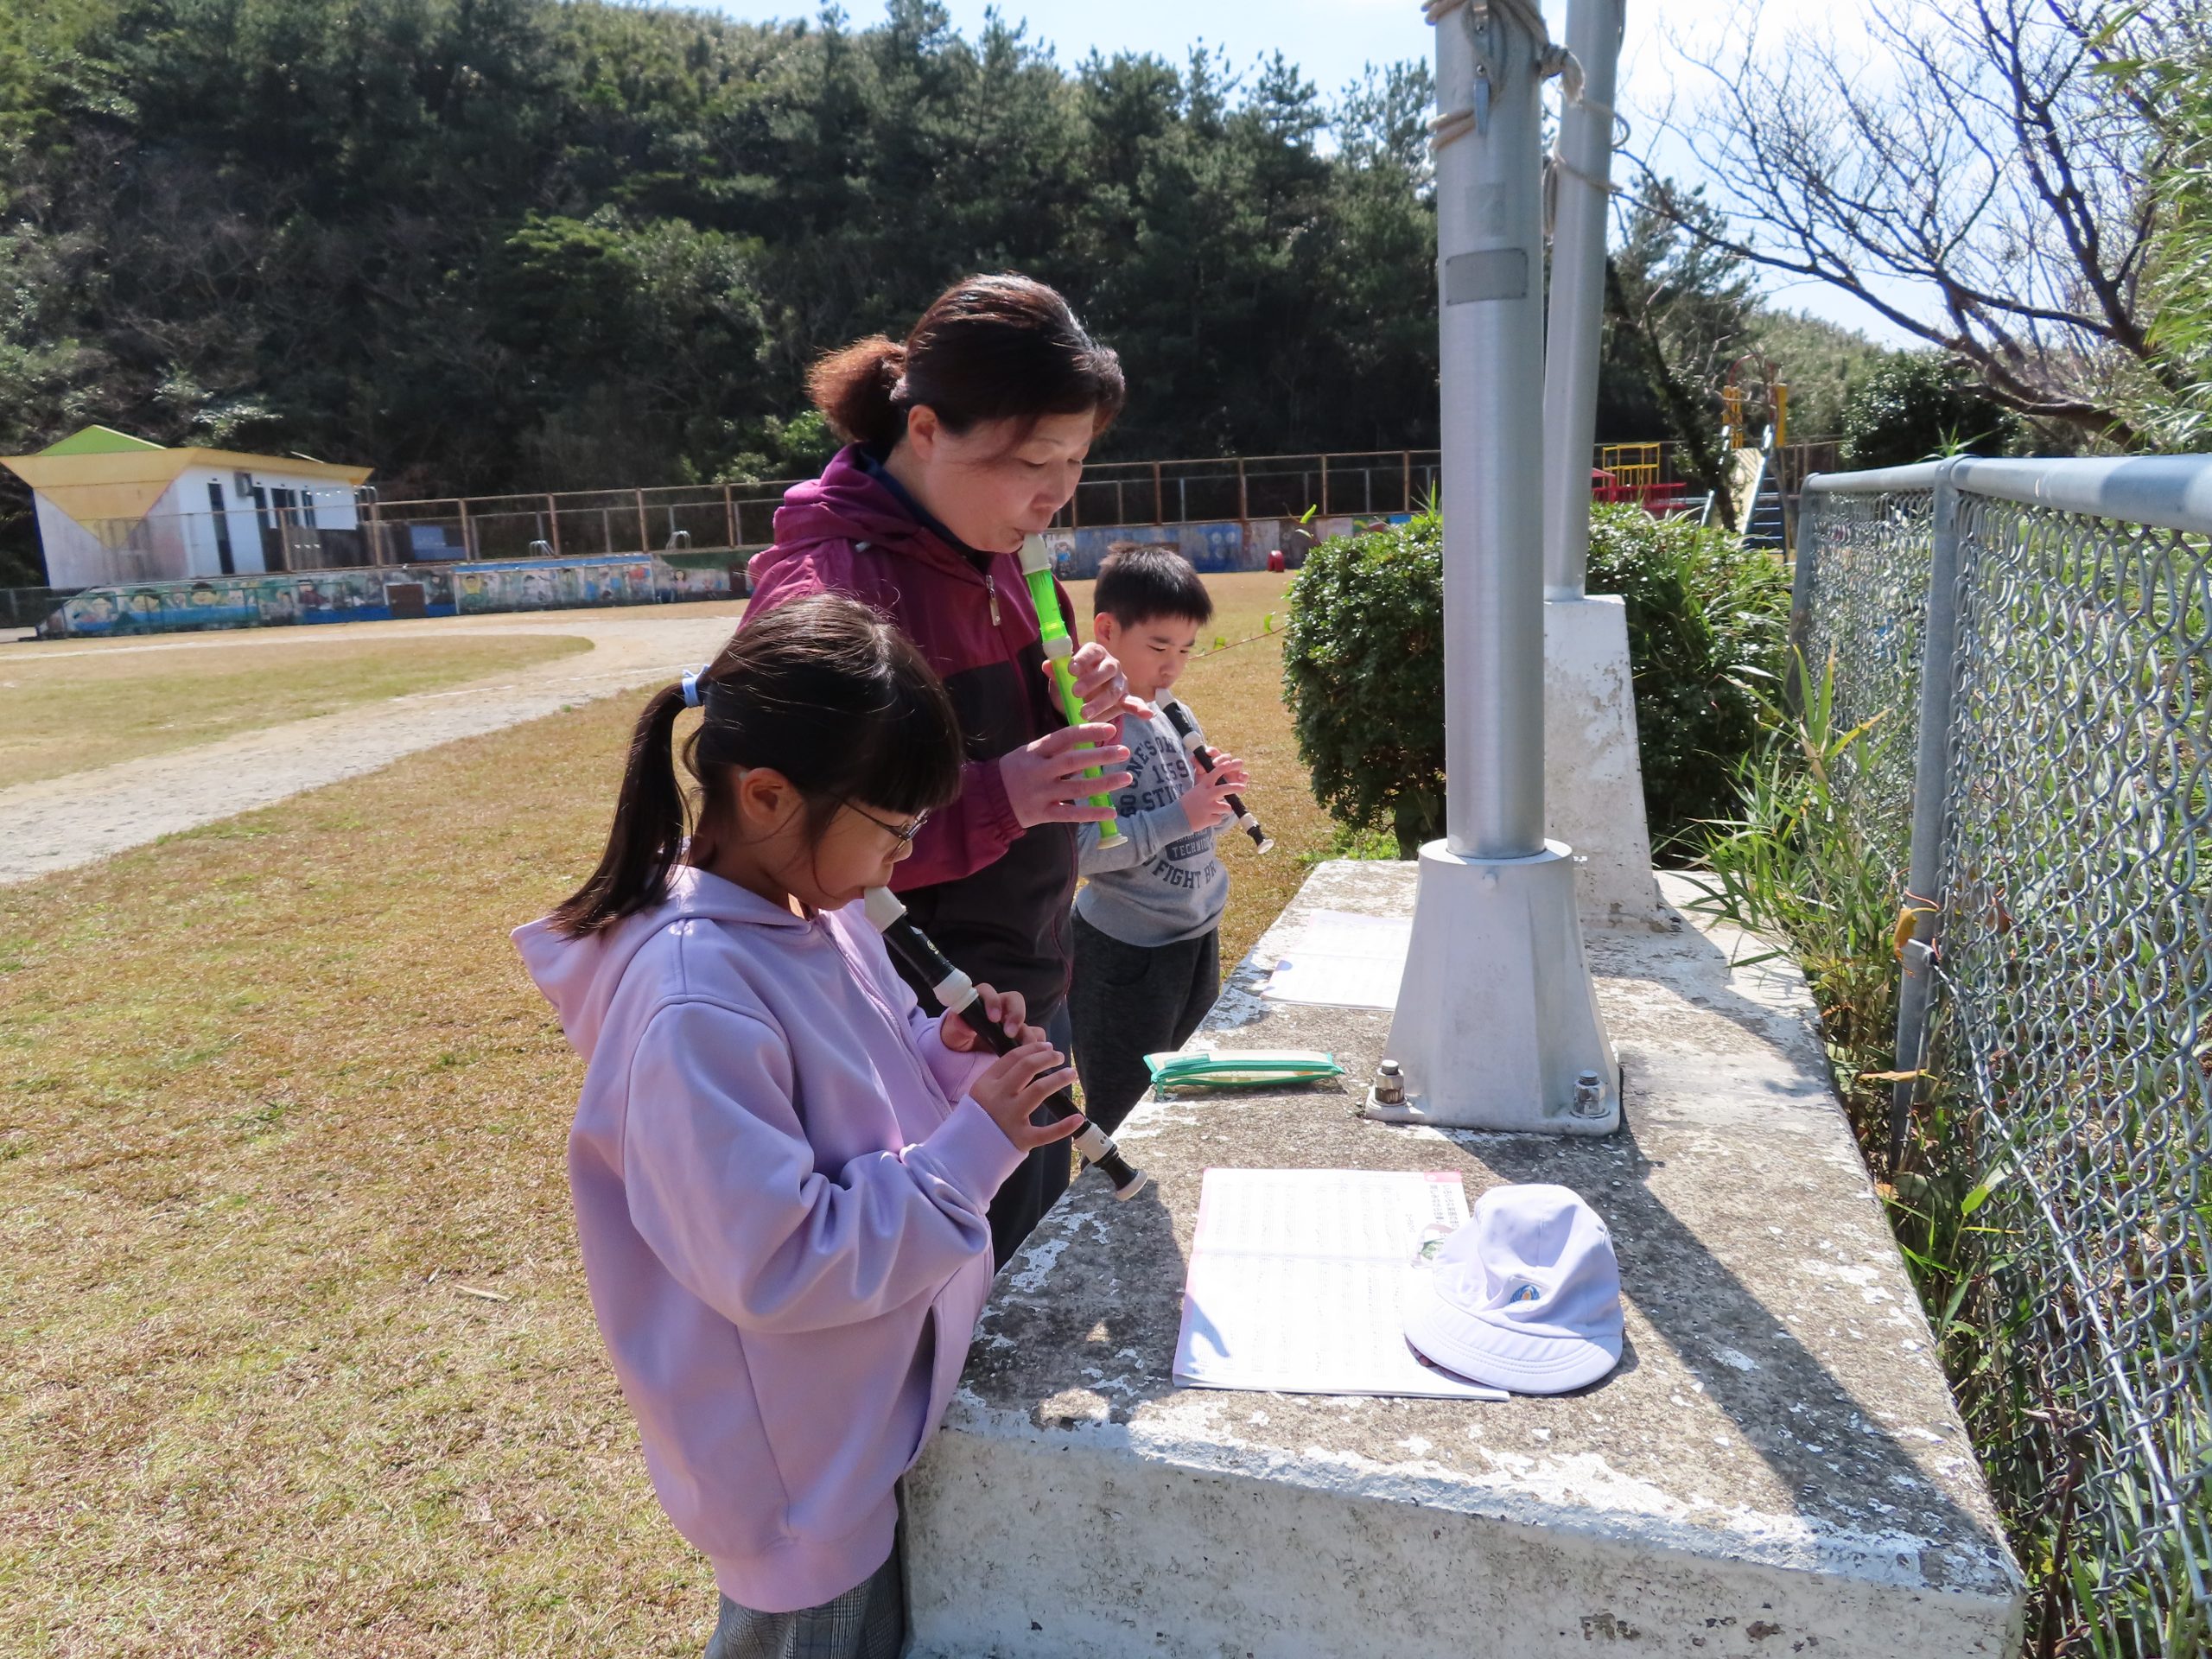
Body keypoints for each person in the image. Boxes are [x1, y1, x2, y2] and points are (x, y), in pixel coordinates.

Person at [515, 594, 1084, 1659]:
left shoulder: (812, 910)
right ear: (769, 796)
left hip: (859, 1426)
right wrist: (978, 1145)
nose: (903, 860)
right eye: (894, 830)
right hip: (802, 1486)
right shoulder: (694, 999)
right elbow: (779, 1261)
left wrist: (947, 1060)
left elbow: (859, 1093)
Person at [746, 272, 1140, 1266]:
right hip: (913, 1025)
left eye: (1076, 462)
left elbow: (996, 727)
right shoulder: (830, 591)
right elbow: (797, 842)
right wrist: (1004, 795)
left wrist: (1070, 698)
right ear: (925, 430)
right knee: (951, 1300)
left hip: (1022, 985)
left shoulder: (993, 543)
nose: (1055, 494)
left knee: (1023, 1275)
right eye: (1033, 462)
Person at [1066, 547, 1248, 1134]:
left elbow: (1195, 827)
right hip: (1125, 952)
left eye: (1186, 650)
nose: (1173, 666)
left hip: (1194, 935)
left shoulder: (1174, 714)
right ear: (1106, 631)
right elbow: (1085, 852)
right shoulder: (1092, 728)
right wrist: (1183, 814)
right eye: (1159, 647)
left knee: (1183, 1095)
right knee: (1126, 1114)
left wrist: (1215, 801)